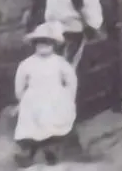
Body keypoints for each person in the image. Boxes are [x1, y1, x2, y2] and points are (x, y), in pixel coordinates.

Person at [13, 22, 78, 167]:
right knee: (30, 125)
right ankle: (27, 153)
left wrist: (69, 97)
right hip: (34, 97)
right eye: (40, 42)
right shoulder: (27, 63)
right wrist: (22, 98)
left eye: (47, 42)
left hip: (54, 97)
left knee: (51, 124)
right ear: (34, 44)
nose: (43, 45)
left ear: (53, 44)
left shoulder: (59, 62)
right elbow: (19, 83)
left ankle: (51, 150)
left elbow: (71, 79)